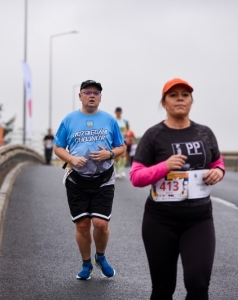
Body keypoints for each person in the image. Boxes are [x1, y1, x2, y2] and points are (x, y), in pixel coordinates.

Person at [130, 78, 225, 300]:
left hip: (199, 219)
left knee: (199, 284)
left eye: (185, 94)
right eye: (173, 95)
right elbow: (135, 177)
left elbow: (217, 163)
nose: (180, 98)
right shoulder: (154, 135)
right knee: (163, 289)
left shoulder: (205, 133)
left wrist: (218, 173)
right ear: (164, 103)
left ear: (191, 101)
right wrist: (165, 166)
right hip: (160, 221)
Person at [54, 80, 126, 280]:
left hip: (104, 179)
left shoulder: (109, 120)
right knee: (83, 225)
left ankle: (100, 257)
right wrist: (71, 159)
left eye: (96, 93)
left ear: (100, 97)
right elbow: (58, 147)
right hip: (76, 180)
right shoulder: (69, 120)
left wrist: (109, 154)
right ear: (80, 96)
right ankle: (86, 264)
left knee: (101, 224)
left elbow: (122, 148)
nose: (92, 96)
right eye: (87, 92)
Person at [114, 107, 128, 178]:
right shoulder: (113, 120)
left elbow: (127, 129)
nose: (118, 113)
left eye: (119, 111)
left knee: (123, 155)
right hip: (115, 140)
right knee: (116, 156)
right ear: (115, 112)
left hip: (123, 140)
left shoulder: (125, 121)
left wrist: (125, 132)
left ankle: (121, 170)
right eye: (117, 111)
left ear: (121, 112)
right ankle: (117, 171)